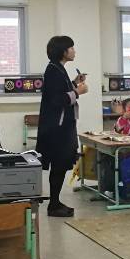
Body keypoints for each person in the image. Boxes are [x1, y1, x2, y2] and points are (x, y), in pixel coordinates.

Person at [36, 35, 88, 217]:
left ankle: (55, 202)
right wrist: (78, 92)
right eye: (71, 48)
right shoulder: (53, 71)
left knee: (60, 166)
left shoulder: (57, 68)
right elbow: (57, 100)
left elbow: (62, 90)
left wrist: (74, 82)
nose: (74, 51)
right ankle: (54, 205)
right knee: (58, 166)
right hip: (57, 129)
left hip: (62, 126)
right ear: (63, 51)